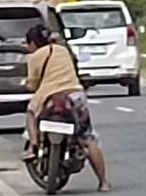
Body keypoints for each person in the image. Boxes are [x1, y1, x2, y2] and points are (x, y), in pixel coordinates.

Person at [22, 24, 111, 192]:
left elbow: (33, 84)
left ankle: (33, 146)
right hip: (74, 95)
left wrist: (28, 85)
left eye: (28, 44)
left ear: (33, 43)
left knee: (31, 114)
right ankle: (103, 181)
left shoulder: (34, 57)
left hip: (49, 96)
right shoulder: (63, 50)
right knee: (88, 138)